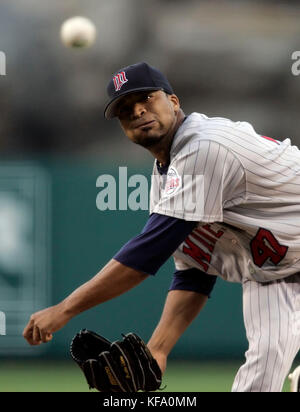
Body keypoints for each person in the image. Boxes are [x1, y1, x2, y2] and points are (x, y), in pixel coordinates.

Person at [23, 62, 300, 392]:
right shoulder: (167, 178)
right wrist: (159, 348)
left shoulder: (205, 146)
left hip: (280, 259)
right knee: (260, 380)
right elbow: (195, 270)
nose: (138, 111)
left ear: (173, 101)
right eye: (126, 110)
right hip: (275, 272)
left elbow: (145, 256)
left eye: (147, 98)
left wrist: (64, 310)